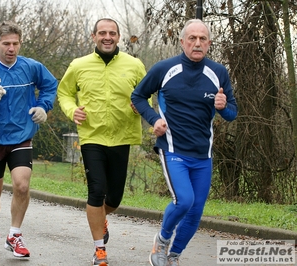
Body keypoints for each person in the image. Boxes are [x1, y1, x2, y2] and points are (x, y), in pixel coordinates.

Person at [131, 19, 238, 266]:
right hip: (172, 148)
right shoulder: (164, 69)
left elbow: (232, 112)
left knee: (195, 212)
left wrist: (223, 107)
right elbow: (137, 96)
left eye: (202, 39)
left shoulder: (218, 72)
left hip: (203, 154)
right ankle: (162, 240)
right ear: (182, 42)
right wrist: (154, 119)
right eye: (192, 38)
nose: (197, 43)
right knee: (184, 201)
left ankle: (173, 256)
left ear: (209, 43)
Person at [57, 18, 146, 266]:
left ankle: (100, 218)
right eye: (102, 33)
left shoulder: (135, 65)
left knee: (114, 199)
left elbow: (147, 94)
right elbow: (63, 93)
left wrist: (141, 108)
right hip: (91, 136)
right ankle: (99, 250)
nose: (107, 37)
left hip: (122, 136)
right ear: (93, 36)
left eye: (112, 33)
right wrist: (71, 110)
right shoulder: (79, 65)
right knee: (96, 191)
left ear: (119, 37)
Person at [0, 21, 57, 258]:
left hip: (21, 135)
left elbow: (50, 85)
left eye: (15, 43)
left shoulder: (31, 67)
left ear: (20, 43)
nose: (11, 48)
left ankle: (15, 234)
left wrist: (43, 107)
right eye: (6, 43)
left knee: (22, 185)